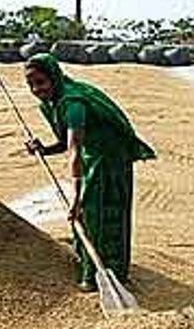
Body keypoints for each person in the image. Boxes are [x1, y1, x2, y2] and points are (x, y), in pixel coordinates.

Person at [23, 53, 156, 292]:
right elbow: (65, 142)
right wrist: (42, 149)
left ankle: (106, 273)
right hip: (91, 155)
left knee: (100, 212)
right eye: (31, 84)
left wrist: (75, 197)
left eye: (41, 82)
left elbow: (74, 150)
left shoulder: (74, 104)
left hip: (110, 160)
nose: (36, 89)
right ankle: (89, 264)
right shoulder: (54, 103)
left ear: (54, 78)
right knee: (88, 214)